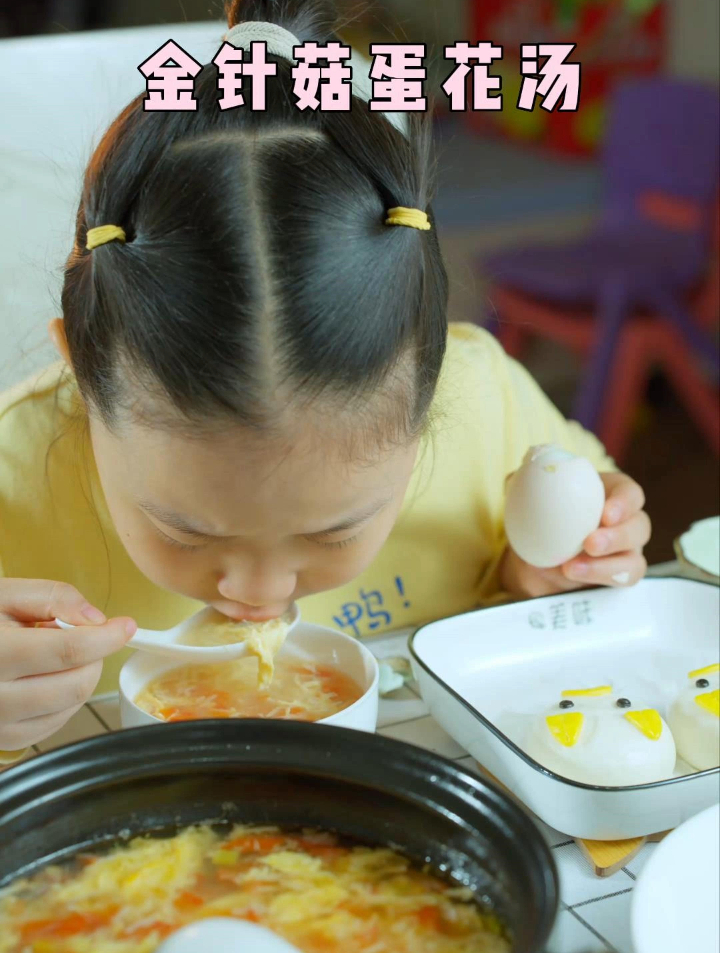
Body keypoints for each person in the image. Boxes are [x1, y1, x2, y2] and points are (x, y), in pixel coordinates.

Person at [0, 0, 651, 763]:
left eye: (333, 531)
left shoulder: (487, 403)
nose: (260, 593)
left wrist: (549, 569)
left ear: (433, 386)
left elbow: (585, 531)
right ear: (82, 373)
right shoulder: (15, 475)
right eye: (187, 531)